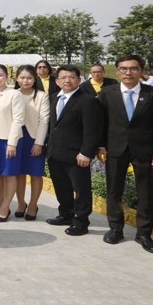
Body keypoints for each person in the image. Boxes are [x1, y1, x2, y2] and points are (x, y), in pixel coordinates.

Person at [98, 54, 153, 254]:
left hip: (144, 150)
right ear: (117, 71)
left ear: (141, 71)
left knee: (145, 193)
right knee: (114, 191)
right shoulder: (107, 93)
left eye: (133, 68)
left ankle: (144, 234)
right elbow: (100, 122)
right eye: (123, 68)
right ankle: (115, 229)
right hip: (115, 148)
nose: (128, 72)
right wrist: (100, 146)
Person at [45, 65, 102, 236]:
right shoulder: (54, 97)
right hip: (55, 152)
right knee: (62, 187)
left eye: (71, 77)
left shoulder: (88, 100)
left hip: (77, 155)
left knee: (81, 189)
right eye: (63, 77)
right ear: (57, 81)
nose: (67, 81)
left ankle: (81, 222)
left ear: (79, 80)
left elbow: (93, 130)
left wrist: (86, 152)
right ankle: (66, 214)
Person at [0, 64, 25, 222]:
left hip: (9, 139)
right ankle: (0, 203)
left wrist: (12, 143)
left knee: (9, 174)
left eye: (0, 75)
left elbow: (18, 119)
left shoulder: (14, 94)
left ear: (7, 77)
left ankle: (5, 207)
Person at [12, 65, 50, 221]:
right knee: (19, 173)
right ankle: (21, 203)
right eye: (22, 77)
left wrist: (39, 143)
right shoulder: (12, 94)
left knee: (35, 173)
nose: (25, 81)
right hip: (17, 138)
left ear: (35, 79)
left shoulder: (42, 96)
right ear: (17, 79)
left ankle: (33, 205)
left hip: (34, 138)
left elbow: (44, 120)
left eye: (29, 78)